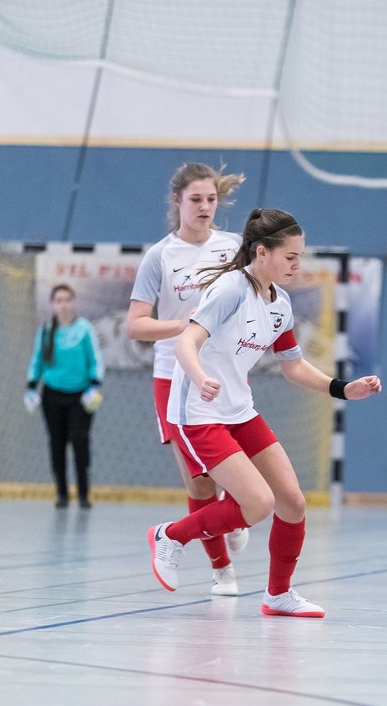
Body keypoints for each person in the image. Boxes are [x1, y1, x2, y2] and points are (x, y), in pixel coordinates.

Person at [146, 208, 382, 618]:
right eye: (290, 256)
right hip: (198, 412)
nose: (297, 264)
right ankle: (169, 536)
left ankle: (278, 595)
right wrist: (200, 376)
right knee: (256, 504)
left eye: (300, 256)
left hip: (238, 410)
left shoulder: (280, 304)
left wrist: (342, 388)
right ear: (262, 252)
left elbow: (292, 365)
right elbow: (187, 342)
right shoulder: (231, 289)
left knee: (291, 502)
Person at [127, 162, 250, 595]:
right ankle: (222, 571)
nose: (204, 207)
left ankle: (233, 515)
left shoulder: (234, 247)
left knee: (243, 477)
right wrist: (184, 327)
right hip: (175, 377)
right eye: (195, 199)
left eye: (211, 199)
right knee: (200, 480)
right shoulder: (160, 255)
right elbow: (136, 324)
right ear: (177, 201)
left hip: (225, 375)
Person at [25, 283, 104, 509]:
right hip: (52, 395)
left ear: (74, 302)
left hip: (81, 396)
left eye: (67, 299)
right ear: (52, 304)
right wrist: (31, 386)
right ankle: (61, 492)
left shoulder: (85, 329)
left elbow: (95, 359)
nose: (63, 304)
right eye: (58, 300)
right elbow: (37, 360)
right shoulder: (46, 330)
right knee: (56, 443)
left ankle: (83, 493)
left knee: (79, 441)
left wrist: (95, 385)